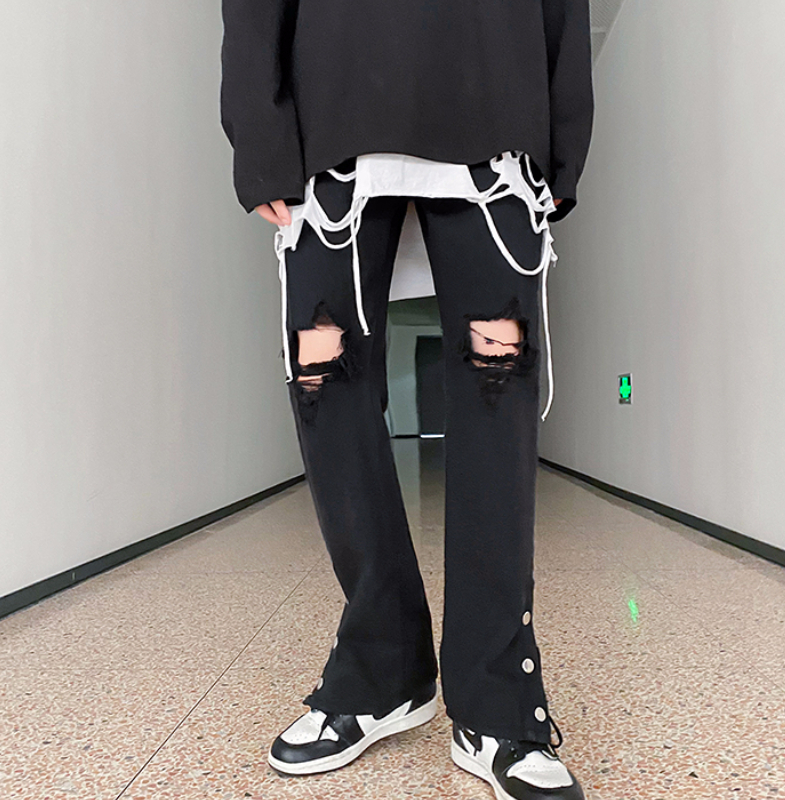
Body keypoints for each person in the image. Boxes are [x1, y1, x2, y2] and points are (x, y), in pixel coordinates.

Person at [220, 2, 594, 798]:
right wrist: (257, 130)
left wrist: (566, 133)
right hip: (331, 125)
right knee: (324, 384)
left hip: (496, 115)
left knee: (496, 394)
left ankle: (498, 697)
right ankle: (382, 666)